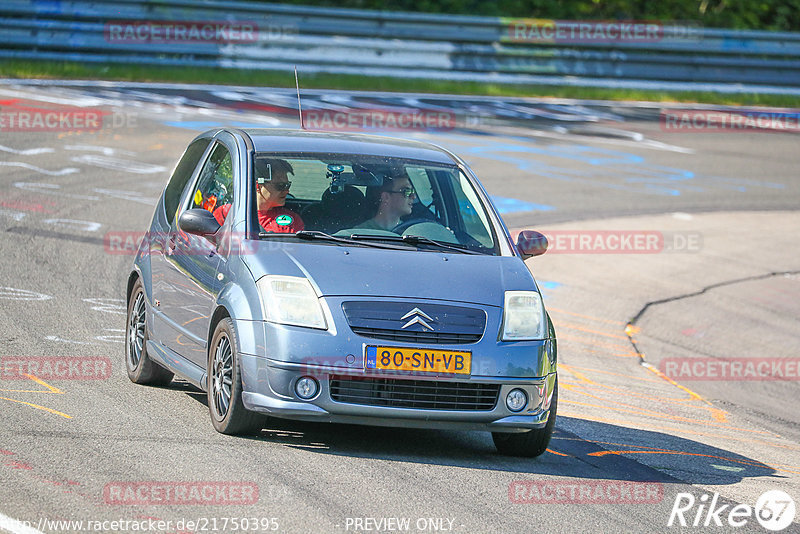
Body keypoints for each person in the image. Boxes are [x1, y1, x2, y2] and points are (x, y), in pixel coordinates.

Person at [213, 158, 304, 233]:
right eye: (280, 186)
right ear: (258, 186)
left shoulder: (293, 220)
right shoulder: (227, 214)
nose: (287, 191)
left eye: (288, 185)